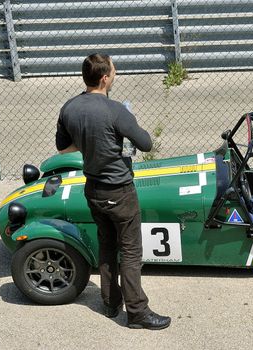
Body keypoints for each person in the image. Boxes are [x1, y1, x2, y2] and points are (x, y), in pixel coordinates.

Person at [55, 53, 171, 330]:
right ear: (105, 77)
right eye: (114, 71)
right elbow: (145, 143)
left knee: (107, 246)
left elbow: (63, 147)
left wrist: (90, 142)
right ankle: (137, 313)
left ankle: (110, 302)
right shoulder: (116, 110)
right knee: (131, 252)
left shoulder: (69, 107)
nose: (115, 75)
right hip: (119, 190)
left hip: (93, 189)